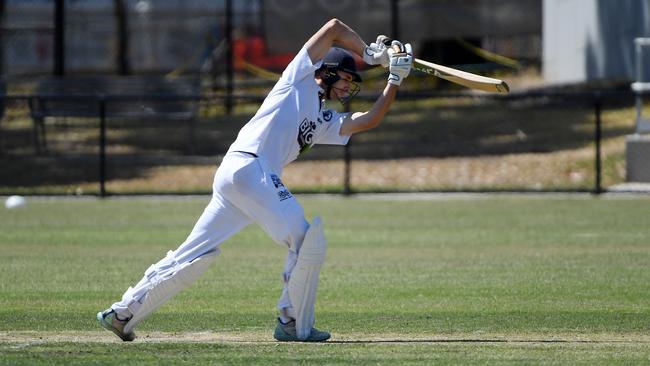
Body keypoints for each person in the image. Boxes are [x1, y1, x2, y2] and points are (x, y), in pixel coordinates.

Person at [97, 18, 413, 343]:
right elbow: (333, 28)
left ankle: (122, 313)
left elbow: (369, 119)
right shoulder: (298, 77)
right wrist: (371, 53)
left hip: (237, 176)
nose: (349, 87)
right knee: (306, 241)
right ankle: (291, 323)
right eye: (346, 78)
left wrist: (394, 79)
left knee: (191, 255)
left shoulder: (324, 119)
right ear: (327, 71)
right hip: (251, 168)